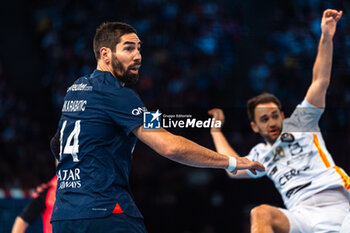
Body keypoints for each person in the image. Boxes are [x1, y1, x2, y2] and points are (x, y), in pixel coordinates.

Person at [49, 22, 264, 233]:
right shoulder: (120, 96)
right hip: (106, 214)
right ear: (105, 54)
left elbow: (57, 144)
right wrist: (232, 162)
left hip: (64, 216)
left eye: (139, 48)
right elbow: (170, 146)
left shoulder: (76, 89)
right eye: (129, 48)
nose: (138, 56)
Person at [208, 9, 350, 233]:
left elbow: (320, 81)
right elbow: (232, 168)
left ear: (283, 116)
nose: (272, 122)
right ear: (255, 127)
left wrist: (326, 36)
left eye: (275, 115)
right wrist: (215, 130)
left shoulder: (302, 122)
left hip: (341, 206)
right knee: (260, 213)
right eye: (264, 119)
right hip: (302, 216)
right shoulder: (260, 155)